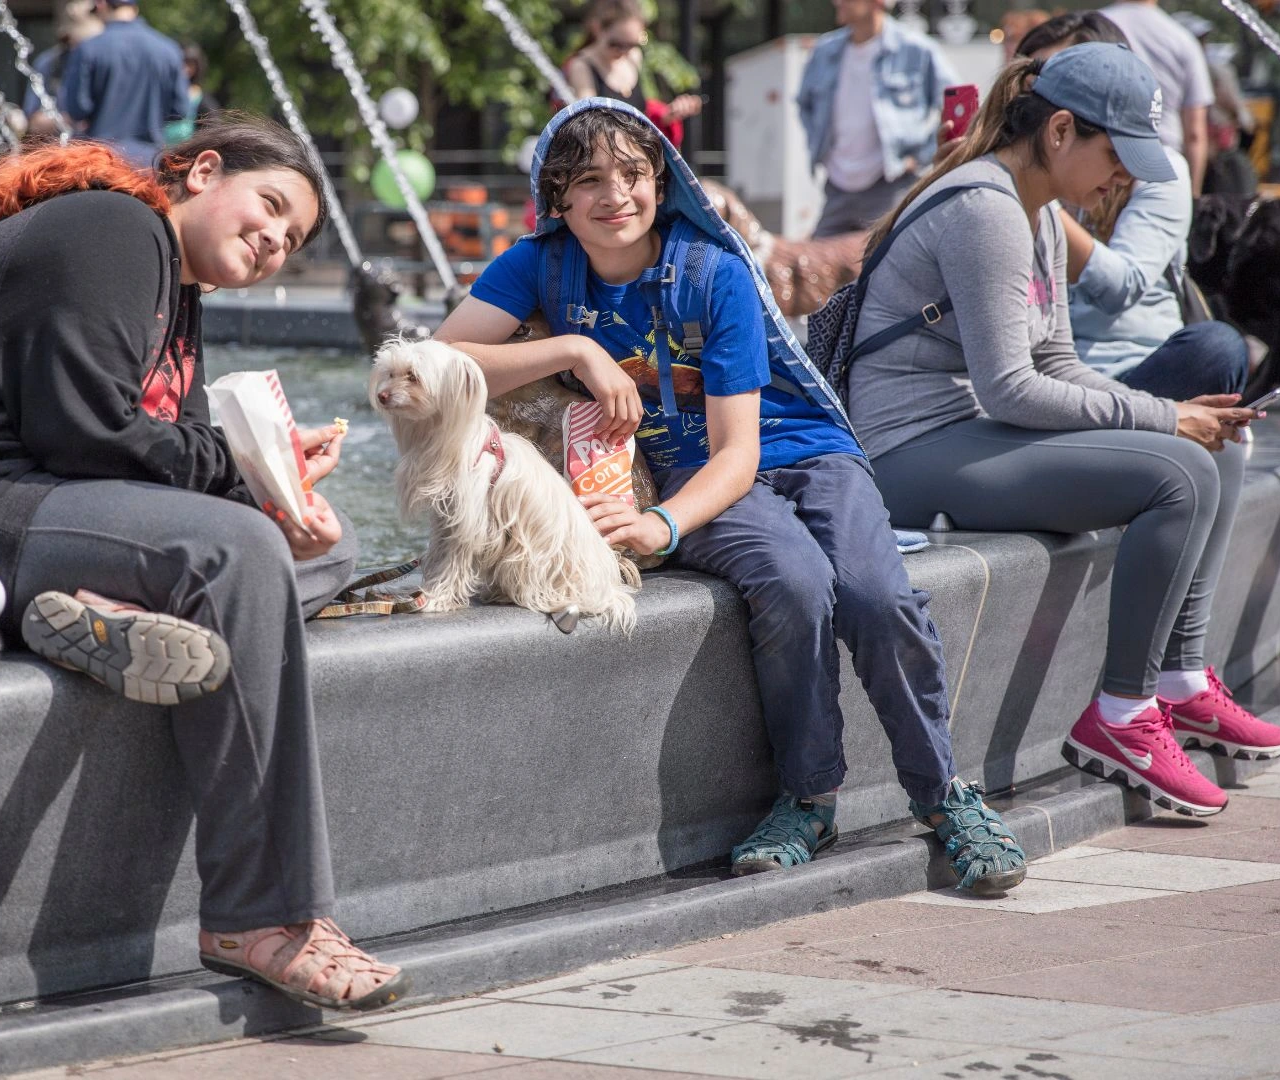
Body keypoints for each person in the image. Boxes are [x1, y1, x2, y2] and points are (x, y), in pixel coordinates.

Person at [0, 116, 407, 1012]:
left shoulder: (174, 292)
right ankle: (263, 915)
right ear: (203, 171)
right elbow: (86, 428)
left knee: (331, 555)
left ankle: (71, 614)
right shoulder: (115, 227)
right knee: (245, 554)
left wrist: (275, 485)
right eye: (268, 208)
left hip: (35, 513)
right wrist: (244, 483)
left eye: (291, 242)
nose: (273, 243)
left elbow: (153, 449)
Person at [435, 98, 1029, 895]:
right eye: (588, 182)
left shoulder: (712, 271)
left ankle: (943, 794)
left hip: (793, 455)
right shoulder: (538, 265)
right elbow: (438, 362)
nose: (615, 195)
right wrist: (574, 345)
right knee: (792, 582)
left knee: (874, 592)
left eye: (633, 174)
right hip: (694, 471)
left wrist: (659, 525)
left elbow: (741, 451)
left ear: (661, 182)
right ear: (556, 199)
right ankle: (809, 798)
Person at [848, 43, 1280, 819]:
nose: (1123, 178)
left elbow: (1056, 361)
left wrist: (1181, 420)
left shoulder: (1041, 214)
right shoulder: (986, 210)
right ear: (1060, 131)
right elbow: (1013, 388)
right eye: (1118, 155)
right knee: (1176, 472)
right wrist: (1161, 416)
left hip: (966, 430)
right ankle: (1122, 715)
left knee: (1205, 450)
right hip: (906, 452)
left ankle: (1180, 681)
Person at [1019, 13, 1248, 400]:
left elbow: (1119, 288)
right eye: (1033, 87)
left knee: (1218, 348)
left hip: (1134, 369)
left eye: (1063, 77)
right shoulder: (1003, 179)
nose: (1036, 104)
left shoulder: (1157, 172)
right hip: (1038, 373)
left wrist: (1037, 203)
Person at [798, 0, 955, 238]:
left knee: (888, 266)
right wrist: (822, 151)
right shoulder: (824, 51)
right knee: (819, 266)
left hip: (892, 184)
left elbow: (955, 101)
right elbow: (804, 104)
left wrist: (923, 155)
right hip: (837, 187)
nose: (837, 2)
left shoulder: (916, 49)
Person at [56, 0, 190, 166]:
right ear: (135, 7)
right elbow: (180, 110)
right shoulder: (169, 50)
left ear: (102, 5)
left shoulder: (88, 50)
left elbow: (77, 109)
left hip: (101, 162)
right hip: (150, 163)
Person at [1100, 0, 1214, 193]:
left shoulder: (1095, 26)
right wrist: (1192, 196)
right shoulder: (1182, 39)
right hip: (1161, 166)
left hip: (1102, 160)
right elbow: (1195, 133)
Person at [561, 0, 702, 149]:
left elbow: (643, 112)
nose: (624, 51)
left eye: (632, 44)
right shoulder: (581, 66)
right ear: (597, 29)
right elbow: (588, 123)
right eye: (616, 44)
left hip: (636, 154)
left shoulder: (634, 57)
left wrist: (667, 115)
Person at [1170, 11, 1259, 197]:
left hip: (1215, 162)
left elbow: (1244, 121)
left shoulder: (1214, 71)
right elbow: (1245, 121)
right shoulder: (1212, 72)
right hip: (1196, 159)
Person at [24, 0, 105, 138]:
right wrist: (72, 120)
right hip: (66, 151)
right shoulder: (50, 63)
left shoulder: (111, 61)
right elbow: (34, 122)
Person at [163, 43, 220, 145]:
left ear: (197, 68)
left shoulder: (203, 101)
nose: (184, 69)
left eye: (189, 64)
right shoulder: (161, 91)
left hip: (183, 155)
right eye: (181, 63)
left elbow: (212, 133)